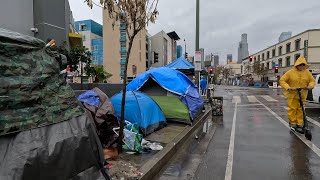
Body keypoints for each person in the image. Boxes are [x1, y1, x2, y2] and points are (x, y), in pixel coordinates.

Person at [279, 57, 315, 133]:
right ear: (297, 65)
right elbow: (282, 80)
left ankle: (299, 124)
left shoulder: (307, 73)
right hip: (292, 95)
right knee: (292, 109)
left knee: (301, 109)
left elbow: (312, 81)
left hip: (302, 95)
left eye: (303, 65)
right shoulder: (290, 72)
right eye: (300, 65)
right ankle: (293, 124)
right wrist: (288, 88)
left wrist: (310, 86)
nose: (301, 67)